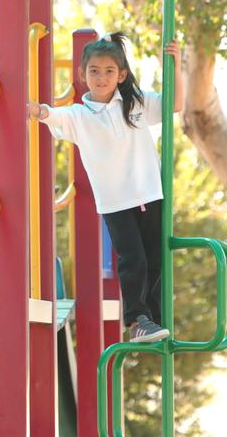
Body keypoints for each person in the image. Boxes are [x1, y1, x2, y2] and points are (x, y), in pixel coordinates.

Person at [28, 32, 183, 343]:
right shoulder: (80, 116)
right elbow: (52, 115)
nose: (101, 78)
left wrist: (177, 64)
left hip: (150, 193)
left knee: (155, 258)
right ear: (82, 75)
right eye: (94, 71)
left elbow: (175, 105)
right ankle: (137, 318)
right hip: (115, 201)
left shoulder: (136, 102)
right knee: (133, 258)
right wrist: (36, 110)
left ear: (121, 75)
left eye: (109, 71)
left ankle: (154, 321)